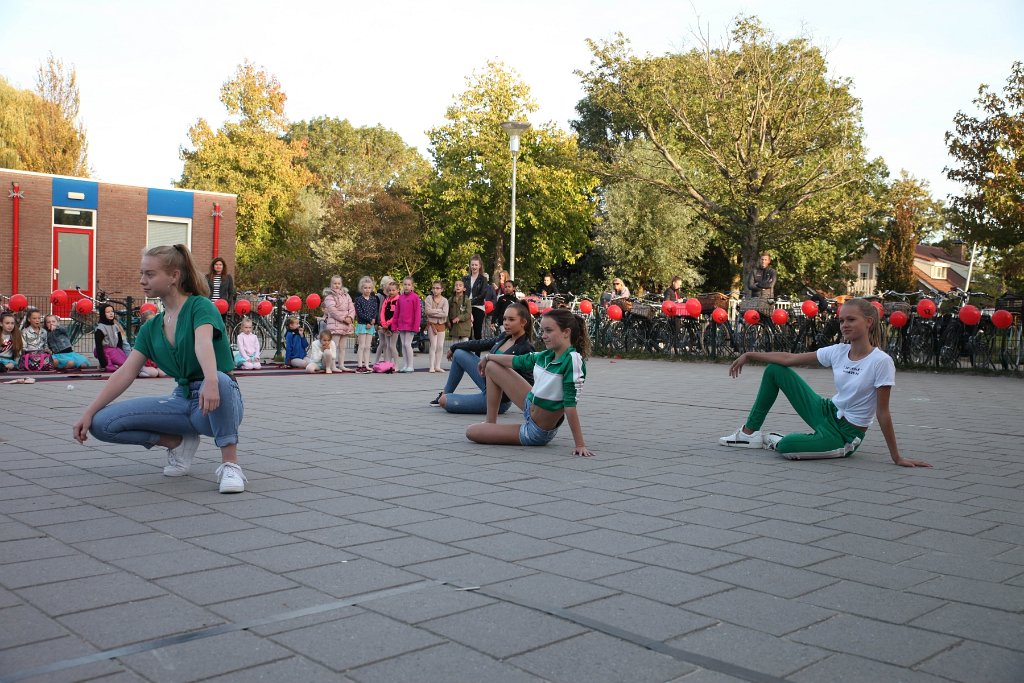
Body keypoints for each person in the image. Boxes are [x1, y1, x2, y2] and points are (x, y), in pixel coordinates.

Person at [73, 243, 247, 493]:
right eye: (142, 273)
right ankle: (176, 442)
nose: (143, 280)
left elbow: (203, 342)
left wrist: (209, 380)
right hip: (182, 399)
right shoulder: (151, 327)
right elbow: (125, 372)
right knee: (102, 424)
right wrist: (88, 412)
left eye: (150, 274)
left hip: (218, 401)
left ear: (174, 276)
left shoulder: (200, 306)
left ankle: (230, 466)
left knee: (220, 379)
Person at [720, 298, 931, 467]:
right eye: (841, 321)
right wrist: (750, 355)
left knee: (788, 447)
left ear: (869, 321)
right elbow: (789, 359)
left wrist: (897, 457)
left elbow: (883, 412)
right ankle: (748, 434)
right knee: (776, 370)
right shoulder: (838, 351)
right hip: (826, 410)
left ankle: (778, 439)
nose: (845, 325)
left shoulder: (881, 362)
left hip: (844, 434)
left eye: (851, 320)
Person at [466, 308, 593, 456]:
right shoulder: (547, 355)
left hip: (536, 430)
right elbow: (517, 361)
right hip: (530, 405)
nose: (543, 336)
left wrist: (580, 445)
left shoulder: (572, 360)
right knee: (492, 366)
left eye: (548, 331)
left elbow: (570, 405)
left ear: (566, 332)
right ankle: (490, 422)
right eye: (542, 331)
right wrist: (488, 357)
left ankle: (490, 428)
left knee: (471, 432)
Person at [432, 302, 535, 414]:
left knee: (444, 401)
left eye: (511, 320)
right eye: (504, 319)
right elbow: (481, 343)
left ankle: (446, 397)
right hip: (486, 380)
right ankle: (445, 392)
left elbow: (529, 384)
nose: (506, 323)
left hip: (498, 400)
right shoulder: (504, 337)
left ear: (523, 322)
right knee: (459, 353)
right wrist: (454, 346)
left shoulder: (526, 348)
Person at [322, 275, 355, 372]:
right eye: (334, 283)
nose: (337, 285)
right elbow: (333, 310)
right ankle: (332, 365)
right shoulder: (329, 297)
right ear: (331, 284)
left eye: (338, 283)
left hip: (345, 324)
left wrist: (350, 317)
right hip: (335, 324)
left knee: (343, 347)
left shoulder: (346, 295)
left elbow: (351, 307)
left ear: (341, 284)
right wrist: (344, 319)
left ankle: (341, 365)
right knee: (333, 346)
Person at [393, 276, 422, 373]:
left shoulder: (415, 297)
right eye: (405, 284)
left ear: (412, 286)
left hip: (411, 325)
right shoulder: (400, 298)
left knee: (407, 344)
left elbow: (417, 313)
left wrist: (416, 326)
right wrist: (394, 324)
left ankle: (411, 365)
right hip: (401, 325)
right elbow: (397, 312)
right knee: (403, 345)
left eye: (409, 285)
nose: (406, 286)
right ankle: (405, 365)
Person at [461, 255, 492, 340]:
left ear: (480, 266)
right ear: (470, 266)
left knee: (477, 331)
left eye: (476, 265)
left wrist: (470, 301)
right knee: (467, 332)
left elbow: (483, 294)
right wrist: (465, 303)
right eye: (472, 265)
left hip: (478, 307)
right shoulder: (465, 279)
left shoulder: (483, 279)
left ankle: (477, 353)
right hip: (466, 307)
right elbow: (461, 292)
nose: (474, 267)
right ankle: (468, 352)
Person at [353, 276, 378, 373]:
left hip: (370, 325)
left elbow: (374, 311)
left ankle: (367, 365)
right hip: (362, 324)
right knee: (362, 346)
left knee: (368, 346)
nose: (367, 290)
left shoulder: (373, 299)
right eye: (365, 288)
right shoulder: (359, 299)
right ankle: (359, 365)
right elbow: (360, 312)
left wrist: (373, 320)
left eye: (369, 288)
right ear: (361, 288)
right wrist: (368, 321)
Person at [94, 304, 128, 372]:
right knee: (124, 364)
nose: (111, 313)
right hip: (105, 350)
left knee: (126, 362)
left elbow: (119, 342)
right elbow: (99, 346)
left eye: (112, 311)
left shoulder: (115, 326)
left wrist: (120, 352)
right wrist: (103, 362)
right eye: (108, 312)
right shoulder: (100, 328)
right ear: (103, 314)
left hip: (115, 350)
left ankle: (114, 363)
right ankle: (107, 364)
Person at [424, 280, 449, 373]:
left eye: (437, 288)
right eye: (433, 288)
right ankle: (431, 366)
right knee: (433, 345)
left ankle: (438, 366)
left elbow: (445, 313)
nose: (435, 290)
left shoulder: (445, 300)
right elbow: (427, 311)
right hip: (432, 324)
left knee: (440, 346)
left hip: (441, 324)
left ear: (442, 289)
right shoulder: (429, 298)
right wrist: (439, 311)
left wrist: (434, 311)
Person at [136, 308, 168, 378]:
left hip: (155, 361)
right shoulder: (143, 331)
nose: (152, 323)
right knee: (153, 373)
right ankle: (139, 372)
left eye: (154, 320)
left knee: (162, 373)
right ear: (144, 322)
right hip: (144, 362)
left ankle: (152, 369)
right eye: (149, 321)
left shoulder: (158, 331)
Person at [377, 280, 399, 366]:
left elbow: (396, 314)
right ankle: (388, 363)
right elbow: (382, 312)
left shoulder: (398, 300)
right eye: (389, 290)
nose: (391, 292)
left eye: (393, 290)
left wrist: (388, 323)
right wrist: (383, 323)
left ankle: (396, 364)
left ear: (397, 290)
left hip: (394, 326)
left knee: (392, 346)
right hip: (385, 326)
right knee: (387, 346)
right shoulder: (387, 300)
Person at [448, 280, 472, 344]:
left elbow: (468, 313)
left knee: (465, 345)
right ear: (454, 288)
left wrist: (459, 318)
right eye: (456, 285)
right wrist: (448, 322)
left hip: (464, 326)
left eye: (460, 285)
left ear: (464, 289)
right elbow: (447, 312)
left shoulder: (467, 300)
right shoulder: (450, 300)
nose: (458, 287)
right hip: (454, 327)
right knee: (455, 346)